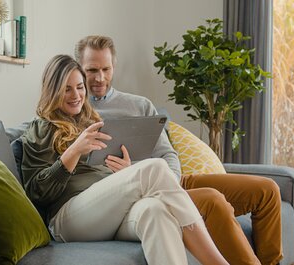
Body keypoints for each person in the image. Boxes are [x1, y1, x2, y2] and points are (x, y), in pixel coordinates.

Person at [74, 35, 283, 265]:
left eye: (106, 68)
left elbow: (168, 154)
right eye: (92, 70)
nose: (100, 77)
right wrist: (130, 172)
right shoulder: (74, 112)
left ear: (114, 66)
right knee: (212, 200)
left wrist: (172, 182)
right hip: (140, 192)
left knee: (267, 190)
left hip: (172, 181)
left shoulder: (139, 104)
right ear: (79, 69)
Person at [21, 54, 229, 265]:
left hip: (107, 210)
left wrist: (125, 171)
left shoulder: (91, 121)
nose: (76, 95)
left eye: (80, 87)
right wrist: (73, 152)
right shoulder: (42, 128)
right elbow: (37, 192)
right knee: (155, 167)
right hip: (68, 218)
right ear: (53, 91)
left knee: (155, 211)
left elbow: (106, 176)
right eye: (67, 89)